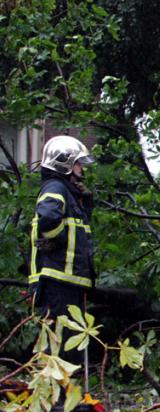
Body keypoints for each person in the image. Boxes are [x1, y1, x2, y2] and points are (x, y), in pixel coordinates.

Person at [29, 135, 96, 362]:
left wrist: (86, 204)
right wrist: (55, 240)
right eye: (78, 163)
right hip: (58, 278)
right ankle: (55, 395)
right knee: (58, 341)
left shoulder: (69, 192)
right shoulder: (55, 187)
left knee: (72, 342)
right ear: (64, 162)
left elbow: (78, 231)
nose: (81, 169)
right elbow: (48, 216)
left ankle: (68, 394)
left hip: (70, 280)